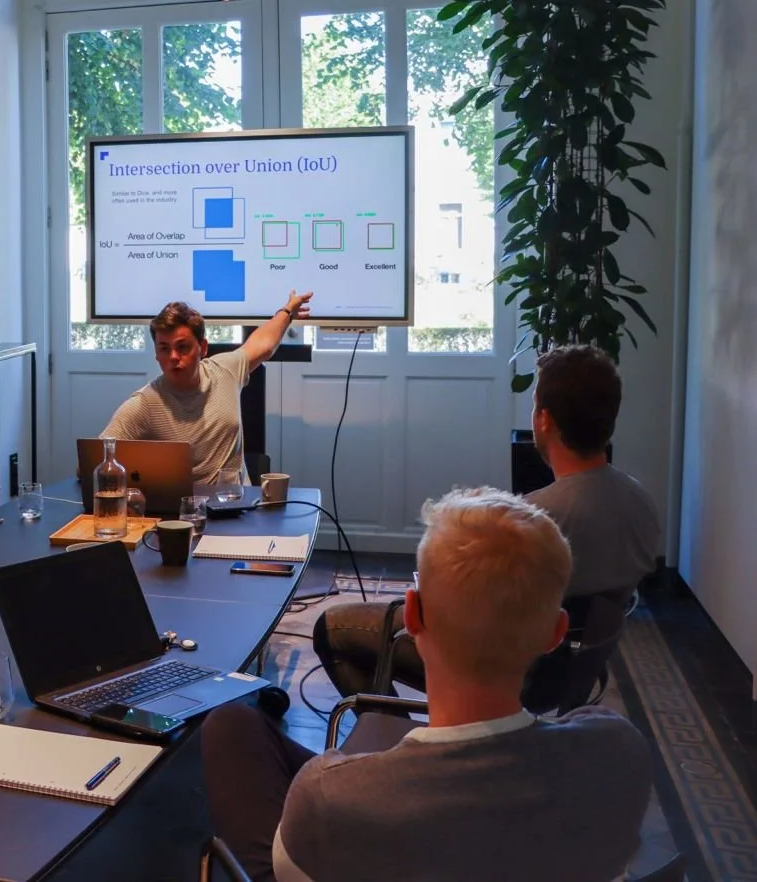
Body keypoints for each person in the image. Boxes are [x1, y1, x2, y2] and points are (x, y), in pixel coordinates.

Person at [202, 488, 651, 882]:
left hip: (333, 821)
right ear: (555, 633)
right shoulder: (619, 753)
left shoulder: (328, 797)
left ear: (412, 614)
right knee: (235, 726)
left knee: (229, 727)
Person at [312, 344, 662, 698]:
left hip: (497, 671)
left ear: (544, 419)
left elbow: (450, 603)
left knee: (333, 628)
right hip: (567, 675)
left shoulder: (529, 525)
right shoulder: (641, 504)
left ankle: (394, 742)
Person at [101, 294, 312, 487]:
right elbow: (96, 461)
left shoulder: (224, 371)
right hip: (184, 514)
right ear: (157, 354)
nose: (173, 356)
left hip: (237, 505)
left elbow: (264, 344)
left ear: (202, 348)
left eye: (182, 347)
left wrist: (287, 312)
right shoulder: (144, 404)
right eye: (164, 349)